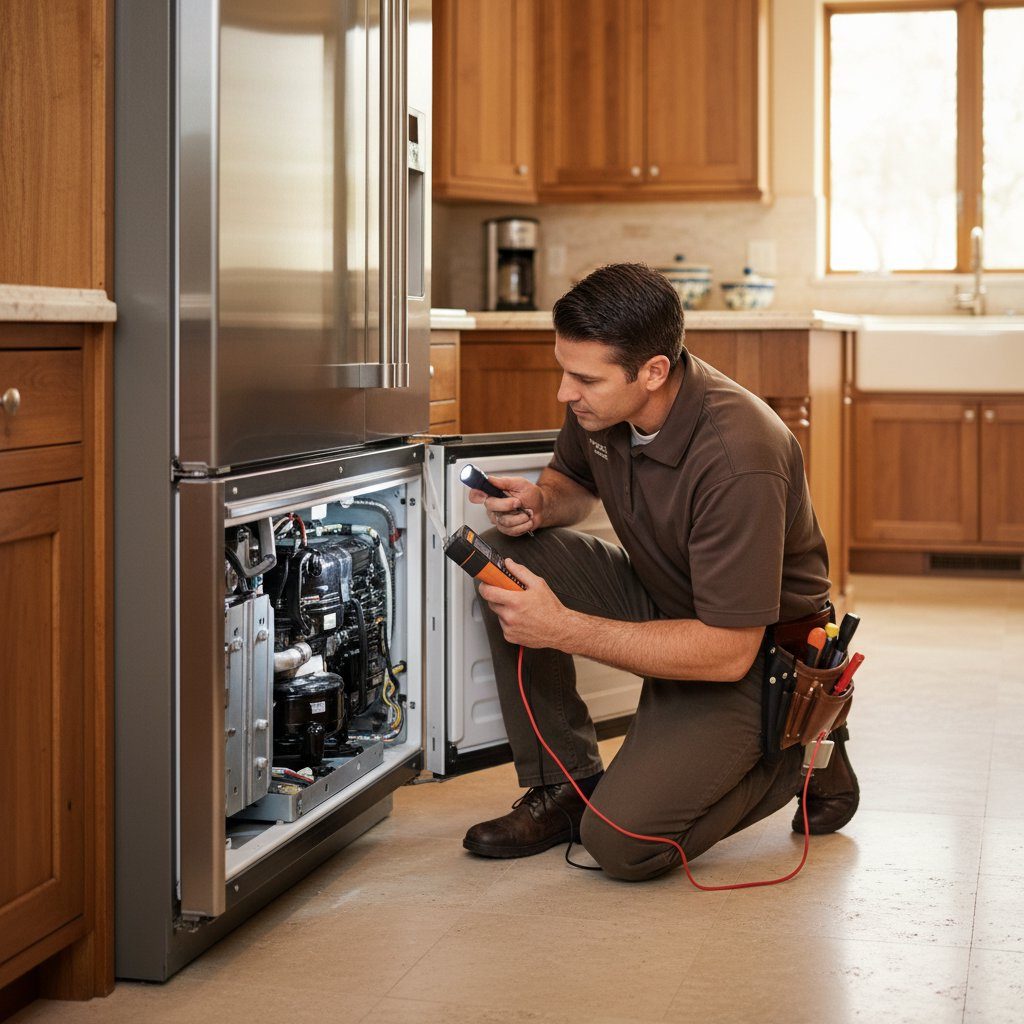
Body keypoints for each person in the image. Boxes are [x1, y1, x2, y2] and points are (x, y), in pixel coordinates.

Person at [462, 262, 859, 880]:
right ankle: (566, 784)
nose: (565, 392)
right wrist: (542, 502)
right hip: (669, 600)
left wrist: (561, 628)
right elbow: (572, 481)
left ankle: (795, 752)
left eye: (583, 378)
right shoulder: (603, 402)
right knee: (503, 559)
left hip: (758, 657)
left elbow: (727, 652)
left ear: (653, 372)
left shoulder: (739, 458)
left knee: (622, 845)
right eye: (563, 370)